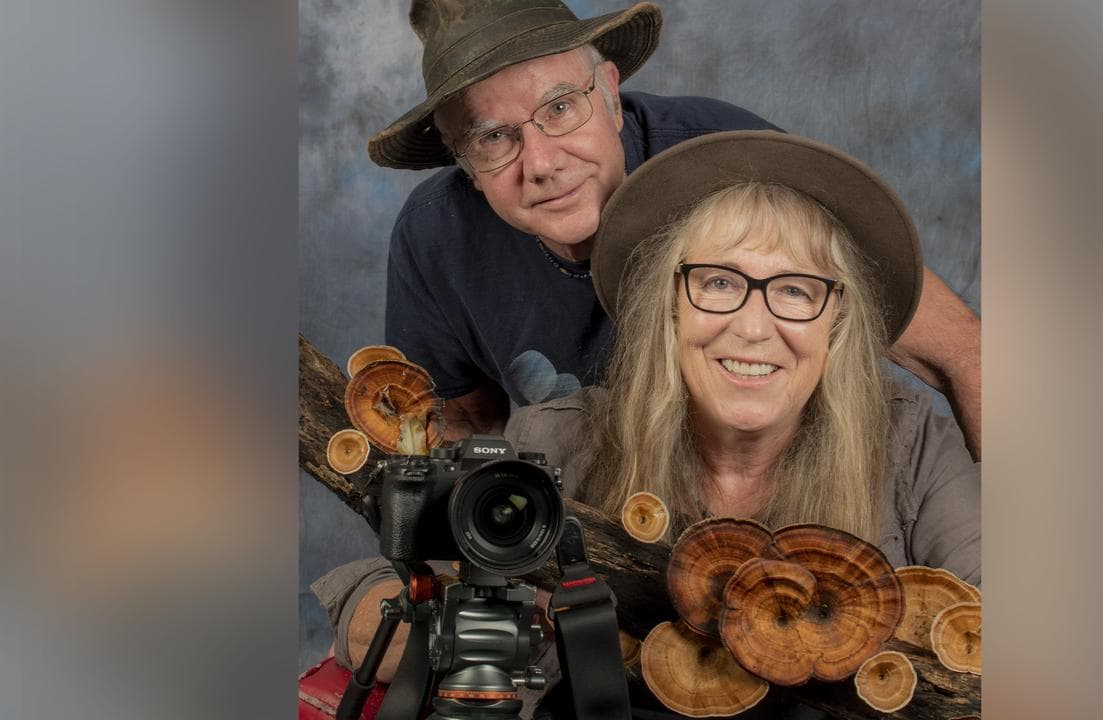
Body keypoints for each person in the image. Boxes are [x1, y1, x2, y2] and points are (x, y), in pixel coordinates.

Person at [313, 131, 979, 717]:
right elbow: (379, 602)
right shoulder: (555, 439)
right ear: (668, 306)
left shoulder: (914, 445)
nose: (754, 327)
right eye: (718, 283)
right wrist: (461, 624)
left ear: (837, 323)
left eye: (795, 290)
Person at [372, 0, 983, 459]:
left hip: (793, 499)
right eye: (493, 137)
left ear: (611, 95)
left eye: (560, 108)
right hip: (603, 522)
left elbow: (966, 353)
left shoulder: (734, 164)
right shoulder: (436, 238)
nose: (542, 163)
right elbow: (464, 422)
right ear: (460, 157)